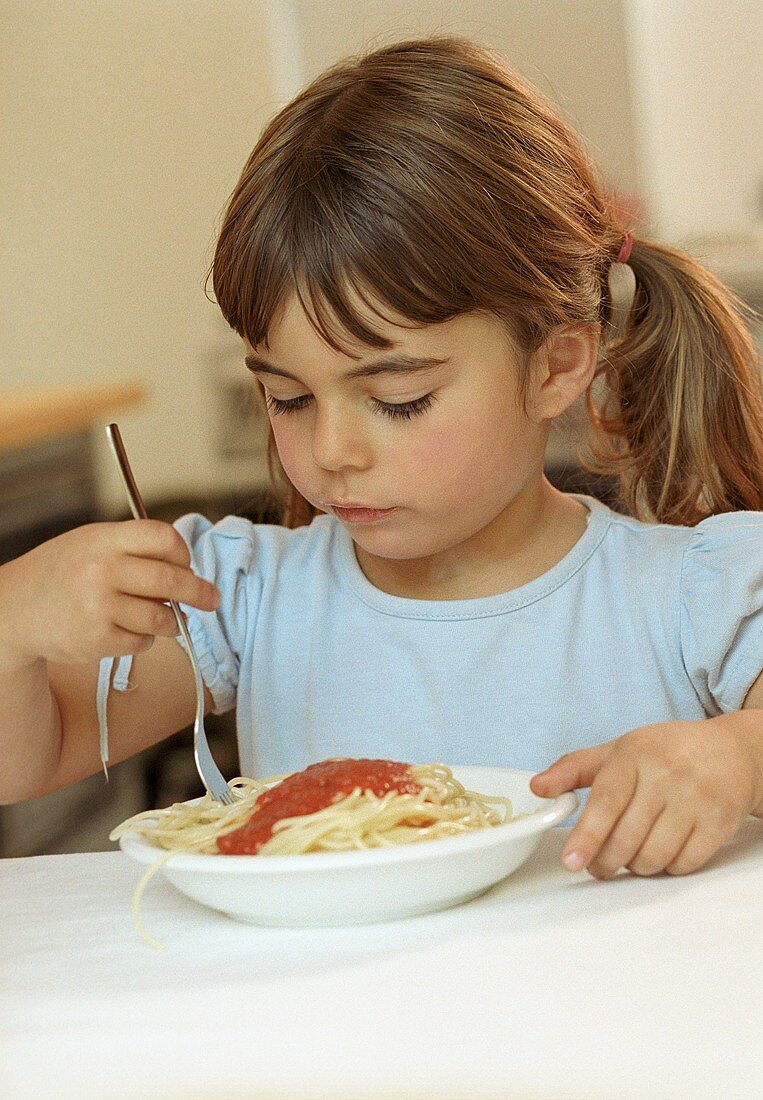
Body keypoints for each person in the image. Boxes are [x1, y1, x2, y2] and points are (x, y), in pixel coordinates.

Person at [1, 35, 762, 882]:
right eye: (288, 398)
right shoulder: (237, 598)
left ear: (555, 365)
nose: (330, 451)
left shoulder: (689, 594)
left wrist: (735, 751)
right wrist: (11, 627)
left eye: (398, 399)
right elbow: (30, 760)